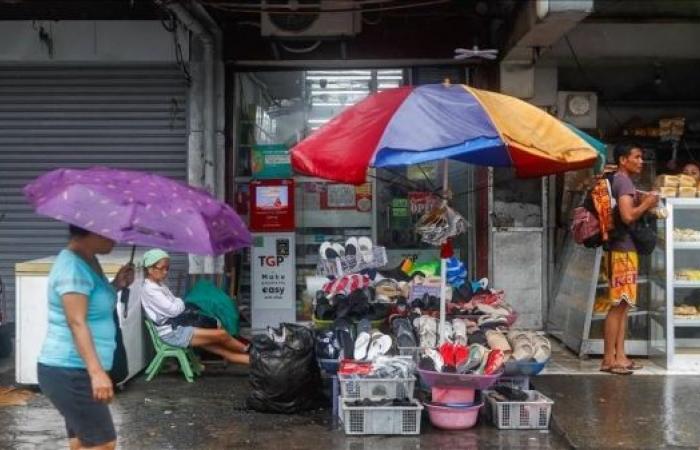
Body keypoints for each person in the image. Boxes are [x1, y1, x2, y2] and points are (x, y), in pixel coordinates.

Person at [38, 225, 135, 450]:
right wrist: (97, 373)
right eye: (113, 232)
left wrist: (117, 285)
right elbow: (76, 322)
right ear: (95, 230)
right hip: (71, 370)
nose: (117, 239)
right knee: (103, 443)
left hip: (75, 369)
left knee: (82, 443)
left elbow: (93, 304)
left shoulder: (88, 261)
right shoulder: (72, 267)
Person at [601, 144, 659, 375]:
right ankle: (608, 359)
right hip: (622, 250)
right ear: (623, 159)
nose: (641, 161)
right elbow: (627, 216)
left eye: (641, 156)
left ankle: (620, 356)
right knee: (618, 306)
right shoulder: (623, 181)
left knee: (623, 305)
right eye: (637, 156)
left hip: (623, 249)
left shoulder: (620, 180)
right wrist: (647, 204)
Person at [139, 248, 250, 365]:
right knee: (222, 334)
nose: (165, 272)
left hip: (178, 328)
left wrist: (177, 302)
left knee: (223, 348)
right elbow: (175, 310)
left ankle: (257, 362)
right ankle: (252, 352)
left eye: (167, 268)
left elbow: (176, 305)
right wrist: (179, 302)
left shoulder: (160, 286)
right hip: (173, 333)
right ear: (150, 269)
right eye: (162, 268)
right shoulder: (150, 290)